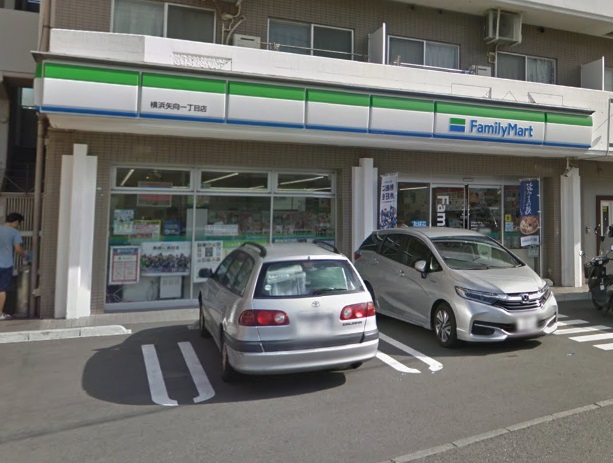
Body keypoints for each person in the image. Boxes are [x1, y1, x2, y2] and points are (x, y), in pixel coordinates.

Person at [0, 213, 28, 320]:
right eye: (19, 224)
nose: (18, 226)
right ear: (16, 222)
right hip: (6, 265)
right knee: (2, 289)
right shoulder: (14, 232)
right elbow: (18, 249)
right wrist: (26, 256)